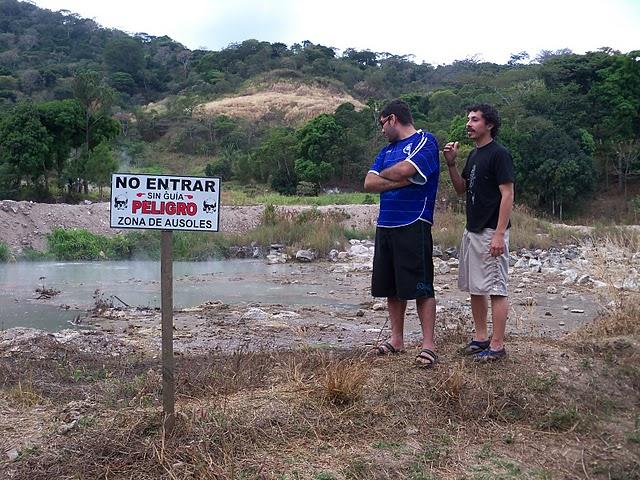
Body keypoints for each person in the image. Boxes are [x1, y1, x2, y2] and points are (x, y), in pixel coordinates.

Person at [364, 99, 440, 368]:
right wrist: (404, 180)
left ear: (393, 118)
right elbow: (369, 182)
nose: (382, 130)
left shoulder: (425, 140)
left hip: (414, 221)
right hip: (386, 224)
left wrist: (400, 175)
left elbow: (408, 169)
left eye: (382, 123)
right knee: (391, 287)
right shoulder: (386, 151)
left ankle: (428, 344)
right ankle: (397, 339)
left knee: (421, 285)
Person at [442, 104, 515, 362]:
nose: (468, 124)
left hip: (490, 231)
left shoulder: (499, 154)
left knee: (496, 288)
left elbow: (507, 194)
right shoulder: (474, 155)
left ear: (489, 125)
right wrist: (451, 164)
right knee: (476, 287)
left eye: (474, 120)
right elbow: (462, 188)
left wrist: (498, 234)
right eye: (468, 120)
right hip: (472, 230)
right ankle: (480, 338)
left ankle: (497, 346)